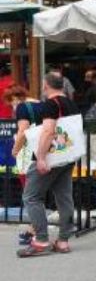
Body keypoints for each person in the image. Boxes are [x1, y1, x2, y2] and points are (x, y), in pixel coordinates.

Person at [17, 72, 80, 258]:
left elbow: (48, 131)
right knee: (64, 197)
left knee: (31, 196)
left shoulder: (51, 105)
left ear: (46, 85)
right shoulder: (71, 103)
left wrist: (42, 158)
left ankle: (41, 240)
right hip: (67, 155)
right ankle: (63, 241)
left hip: (51, 156)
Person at [3, 85, 43, 246]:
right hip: (42, 152)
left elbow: (23, 131)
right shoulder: (40, 104)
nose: (11, 106)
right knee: (38, 193)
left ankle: (36, 230)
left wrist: (15, 149)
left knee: (29, 193)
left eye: (10, 102)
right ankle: (37, 228)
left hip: (28, 155)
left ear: (15, 98)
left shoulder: (22, 107)